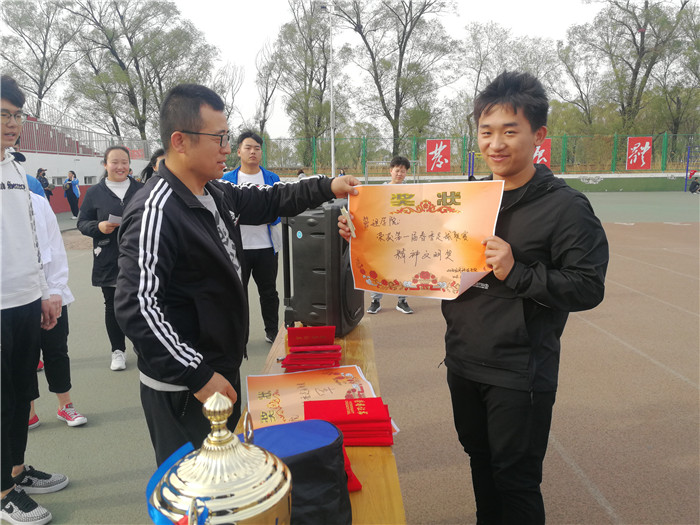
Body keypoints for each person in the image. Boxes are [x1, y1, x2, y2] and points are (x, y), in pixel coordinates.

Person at [341, 71, 609, 524]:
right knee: (480, 464)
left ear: (538, 136)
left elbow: (588, 286)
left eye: (510, 131)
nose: (496, 144)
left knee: (516, 480)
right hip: (463, 359)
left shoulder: (565, 207)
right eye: (486, 132)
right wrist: (363, 234)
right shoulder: (467, 199)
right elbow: (413, 247)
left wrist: (517, 272)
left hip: (520, 372)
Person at [114, 83, 359, 466]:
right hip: (184, 387)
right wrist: (197, 375)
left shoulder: (215, 192)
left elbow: (272, 199)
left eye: (227, 137)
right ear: (180, 141)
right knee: (194, 485)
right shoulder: (156, 210)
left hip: (217, 369)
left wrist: (329, 186)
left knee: (228, 478)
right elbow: (136, 306)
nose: (227, 149)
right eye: (219, 138)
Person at [1, 74, 67, 525]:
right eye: (4, 115)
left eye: (17, 116)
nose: (12, 124)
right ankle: (3, 494)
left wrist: (44, 291)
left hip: (25, 299)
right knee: (1, 399)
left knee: (22, 393)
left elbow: (31, 234)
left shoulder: (15, 169)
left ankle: (16, 471)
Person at [77, 146, 142, 371]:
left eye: (124, 162)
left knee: (142, 304)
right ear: (105, 164)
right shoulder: (95, 192)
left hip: (140, 257)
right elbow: (82, 222)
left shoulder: (142, 189)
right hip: (108, 257)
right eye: (115, 162)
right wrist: (99, 226)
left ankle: (143, 347)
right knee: (112, 306)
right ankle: (118, 351)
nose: (120, 166)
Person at [27, 191, 87, 429]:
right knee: (22, 357)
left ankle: (65, 405)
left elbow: (55, 246)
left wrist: (55, 290)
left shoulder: (37, 202)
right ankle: (27, 411)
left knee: (56, 351)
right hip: (14, 299)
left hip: (49, 292)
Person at [222, 131, 283, 344]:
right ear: (238, 151)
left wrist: (260, 214)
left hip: (267, 247)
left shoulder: (272, 179)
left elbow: (279, 208)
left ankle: (272, 331)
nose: (253, 152)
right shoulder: (226, 180)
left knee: (269, 292)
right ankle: (239, 335)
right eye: (248, 147)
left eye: (257, 148)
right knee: (237, 294)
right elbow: (224, 212)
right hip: (237, 248)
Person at [366, 155, 414, 315]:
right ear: (390, 171)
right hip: (384, 235)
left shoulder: (410, 191)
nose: (400, 174)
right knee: (379, 267)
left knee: (402, 268)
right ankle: (375, 301)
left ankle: (402, 300)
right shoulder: (380, 191)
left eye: (403, 171)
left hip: (402, 236)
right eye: (397, 170)